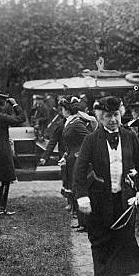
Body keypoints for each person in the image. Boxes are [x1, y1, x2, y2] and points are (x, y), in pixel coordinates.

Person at [73, 96, 139, 276]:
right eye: (108, 116)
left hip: (124, 198)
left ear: (121, 114)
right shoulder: (91, 139)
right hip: (99, 198)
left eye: (116, 115)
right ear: (100, 117)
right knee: (99, 239)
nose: (113, 120)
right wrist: (82, 197)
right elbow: (79, 170)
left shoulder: (129, 136)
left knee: (123, 239)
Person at [57, 97, 90, 230]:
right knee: (74, 188)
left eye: (63, 109)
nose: (62, 112)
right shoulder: (69, 122)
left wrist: (80, 153)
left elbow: (88, 138)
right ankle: (81, 221)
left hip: (77, 160)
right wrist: (66, 155)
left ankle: (85, 222)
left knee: (78, 188)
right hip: (71, 159)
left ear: (67, 110)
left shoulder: (76, 123)